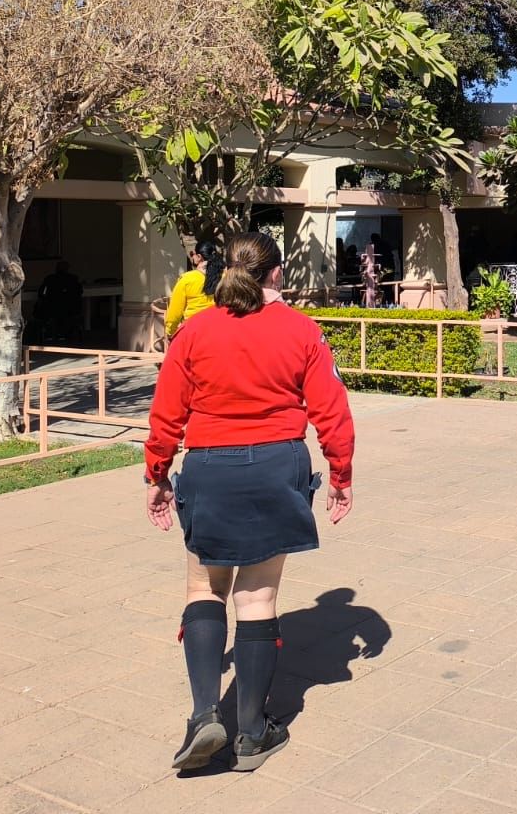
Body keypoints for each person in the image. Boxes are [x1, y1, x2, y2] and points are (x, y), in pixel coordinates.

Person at [144, 231, 356, 774]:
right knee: (256, 599)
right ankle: (253, 733)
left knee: (203, 588)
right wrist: (340, 471)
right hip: (275, 466)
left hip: (210, 467)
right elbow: (330, 406)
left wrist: (158, 472)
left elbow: (167, 409)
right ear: (276, 274)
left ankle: (202, 715)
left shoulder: (195, 330)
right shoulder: (301, 329)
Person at [164, 240, 224, 341]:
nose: (192, 256)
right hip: (218, 332)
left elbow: (175, 313)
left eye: (193, 254)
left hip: (193, 332)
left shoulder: (187, 279)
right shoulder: (225, 277)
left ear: (199, 257)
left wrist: (170, 332)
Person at [35, 259, 83, 343]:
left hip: (51, 309)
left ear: (56, 269)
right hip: (70, 310)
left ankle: (50, 333)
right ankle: (67, 334)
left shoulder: (50, 279)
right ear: (68, 269)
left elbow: (42, 293)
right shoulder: (73, 279)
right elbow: (79, 293)